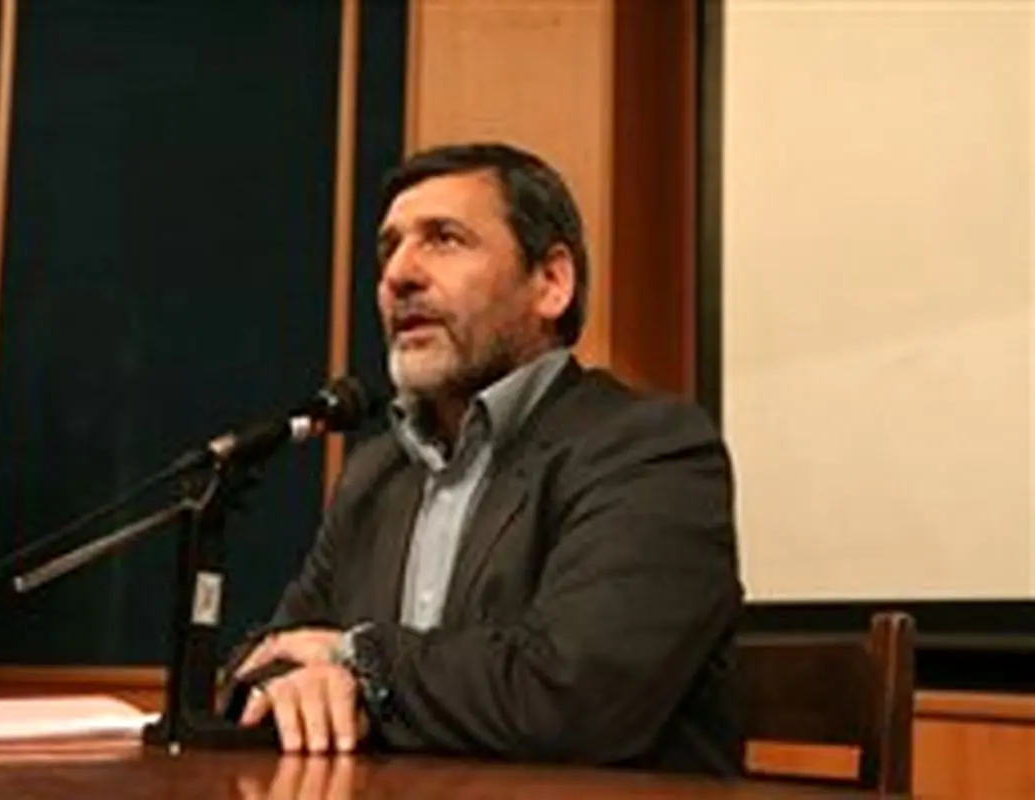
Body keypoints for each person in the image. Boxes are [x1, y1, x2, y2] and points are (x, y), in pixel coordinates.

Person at [220, 141, 745, 775]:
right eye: (389, 249)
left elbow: (575, 695)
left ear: (551, 283)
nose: (398, 276)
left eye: (444, 239)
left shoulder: (649, 449)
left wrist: (359, 662)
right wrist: (286, 682)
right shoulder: (376, 473)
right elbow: (279, 650)